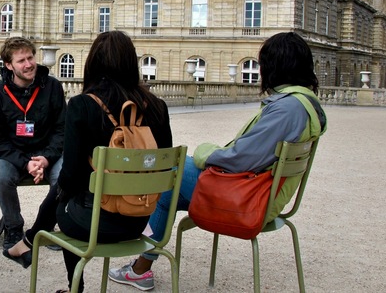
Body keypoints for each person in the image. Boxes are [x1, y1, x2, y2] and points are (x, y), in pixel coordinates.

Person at [109, 31, 327, 291]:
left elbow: (241, 158)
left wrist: (206, 154)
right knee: (168, 192)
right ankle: (140, 268)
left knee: (170, 171)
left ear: (278, 66)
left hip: (250, 197)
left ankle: (137, 261)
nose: (260, 72)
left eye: (263, 65)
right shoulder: (305, 104)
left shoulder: (287, 108)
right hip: (263, 192)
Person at [3, 31, 172, 293]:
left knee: (64, 202)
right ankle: (30, 239)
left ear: (93, 62)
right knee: (64, 197)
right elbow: (162, 167)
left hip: (94, 225)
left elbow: (70, 177)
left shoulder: (83, 105)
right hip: (139, 221)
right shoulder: (158, 106)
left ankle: (73, 285)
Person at [0, 36, 66, 249]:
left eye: (30, 57)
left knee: (67, 173)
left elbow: (61, 130)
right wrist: (25, 163)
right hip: (14, 153)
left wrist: (47, 159)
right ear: (8, 65)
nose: (29, 64)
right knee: (1, 178)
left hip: (47, 152)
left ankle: (46, 227)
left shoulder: (53, 87)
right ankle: (13, 227)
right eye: (21, 61)